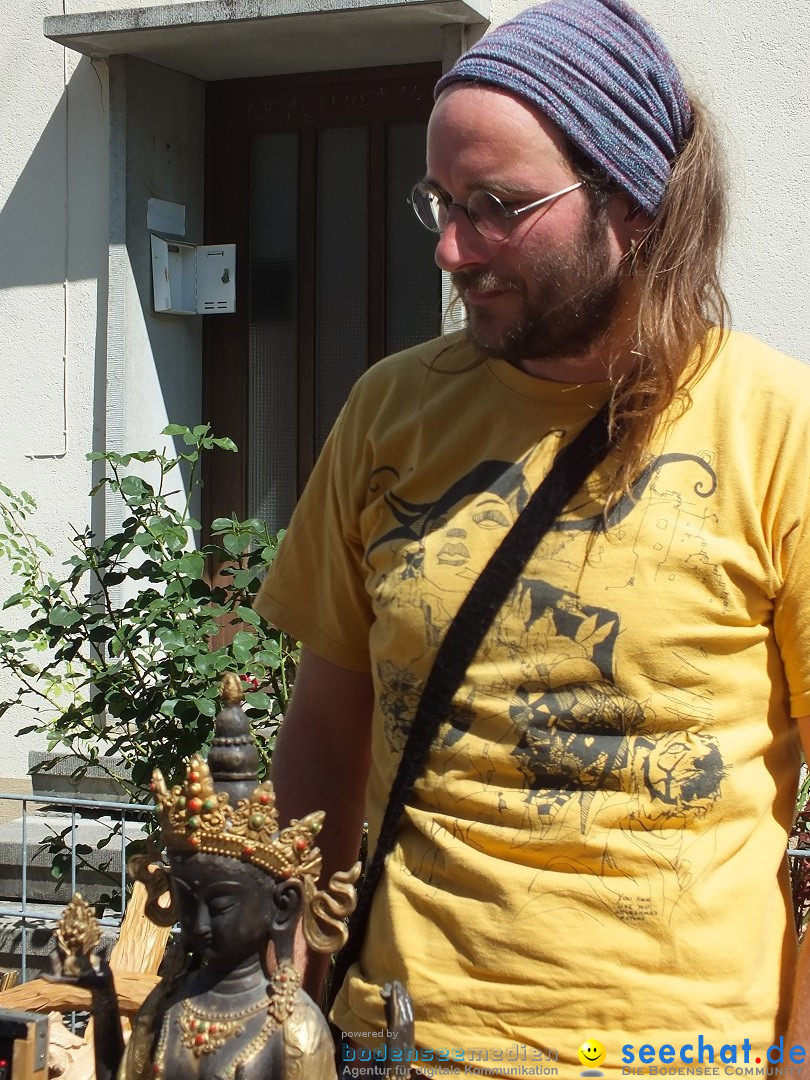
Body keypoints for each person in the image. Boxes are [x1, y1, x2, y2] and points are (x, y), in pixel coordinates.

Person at [253, 0, 810, 1074]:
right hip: (394, 1043)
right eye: (442, 203)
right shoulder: (389, 414)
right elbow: (324, 733)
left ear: (633, 204)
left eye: (498, 207)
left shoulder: (775, 428)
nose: (454, 250)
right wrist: (284, 1002)